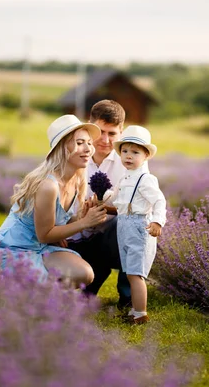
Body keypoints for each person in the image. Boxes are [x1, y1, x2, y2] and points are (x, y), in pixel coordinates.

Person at [0, 114, 108, 287]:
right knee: (37, 291)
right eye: (79, 142)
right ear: (62, 147)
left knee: (85, 273)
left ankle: (38, 291)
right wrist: (84, 223)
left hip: (40, 247)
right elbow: (45, 234)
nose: (88, 148)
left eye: (89, 143)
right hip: (14, 247)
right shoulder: (48, 186)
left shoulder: (76, 180)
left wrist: (82, 216)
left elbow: (56, 224)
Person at [67, 100, 145, 308]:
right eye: (100, 131)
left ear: (121, 132)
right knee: (68, 300)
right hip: (74, 236)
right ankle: (91, 280)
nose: (105, 139)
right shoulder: (74, 155)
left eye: (112, 134)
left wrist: (107, 208)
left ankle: (128, 297)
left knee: (134, 224)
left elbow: (142, 203)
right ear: (89, 127)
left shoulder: (131, 161)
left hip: (110, 236)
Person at [109, 125, 166, 324]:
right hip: (124, 225)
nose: (128, 156)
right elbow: (114, 196)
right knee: (129, 270)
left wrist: (158, 221)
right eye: (125, 151)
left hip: (138, 226)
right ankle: (134, 310)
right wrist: (101, 198)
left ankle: (140, 313)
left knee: (136, 273)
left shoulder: (146, 179)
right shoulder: (125, 177)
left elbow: (159, 201)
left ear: (146, 156)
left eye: (135, 152)